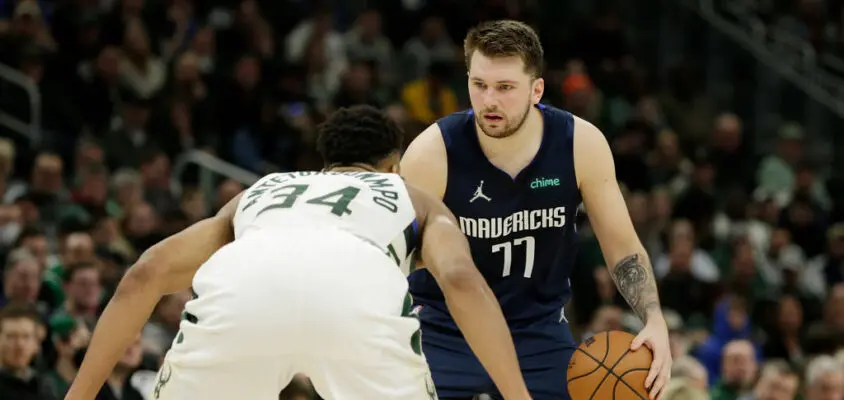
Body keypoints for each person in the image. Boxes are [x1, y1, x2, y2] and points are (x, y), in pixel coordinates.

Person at [64, 105, 531, 400]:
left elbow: (145, 273)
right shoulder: (409, 195)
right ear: (394, 165)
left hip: (242, 295)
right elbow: (463, 282)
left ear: (324, 164)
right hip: (359, 299)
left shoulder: (265, 190)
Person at [401, 20, 672, 400]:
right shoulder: (431, 154)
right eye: (479, 85)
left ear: (536, 89)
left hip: (538, 332)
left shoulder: (581, 144)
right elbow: (400, 260)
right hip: (444, 330)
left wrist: (654, 320)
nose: (489, 100)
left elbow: (622, 246)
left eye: (505, 88)